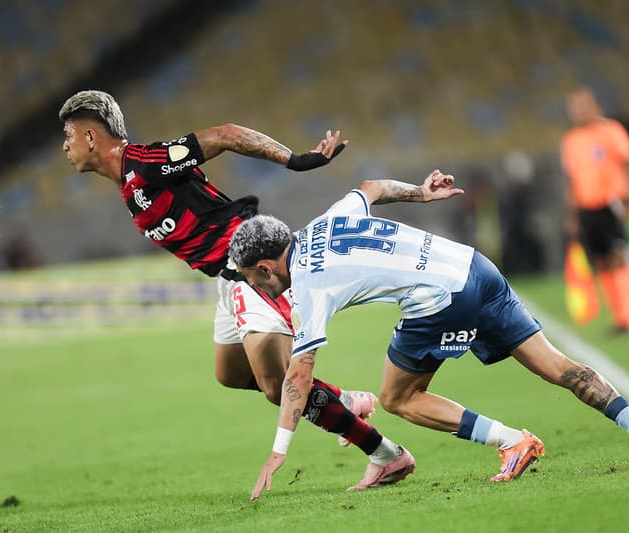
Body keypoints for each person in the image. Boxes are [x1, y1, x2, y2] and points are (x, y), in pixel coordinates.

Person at [228, 170, 629, 500]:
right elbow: (370, 187)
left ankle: (513, 441)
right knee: (559, 367)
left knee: (398, 397)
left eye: (253, 278)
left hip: (439, 298)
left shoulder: (308, 284)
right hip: (474, 266)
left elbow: (297, 377)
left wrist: (278, 450)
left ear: (266, 266)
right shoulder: (327, 221)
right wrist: (420, 194)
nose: (257, 286)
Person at [58, 89, 412, 479]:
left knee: (277, 387)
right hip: (225, 276)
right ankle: (343, 400)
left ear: (91, 138)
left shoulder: (144, 162)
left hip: (248, 267)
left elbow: (225, 135)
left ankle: (384, 454)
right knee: (230, 374)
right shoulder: (129, 182)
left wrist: (295, 160)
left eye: (69, 136)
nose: (65, 146)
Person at [561, 87, 629, 333]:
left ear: (596, 107)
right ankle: (619, 318)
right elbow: (572, 180)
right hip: (586, 207)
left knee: (618, 258)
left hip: (611, 203)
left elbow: (628, 165)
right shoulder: (571, 141)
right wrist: (573, 214)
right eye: (574, 108)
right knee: (601, 262)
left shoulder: (611, 131)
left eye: (584, 106)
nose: (579, 112)